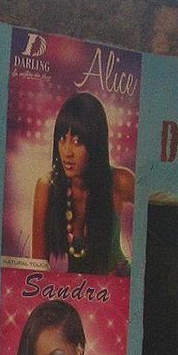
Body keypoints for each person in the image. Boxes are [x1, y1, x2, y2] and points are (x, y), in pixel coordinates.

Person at [30, 91, 136, 276]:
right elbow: (37, 270)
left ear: (95, 143)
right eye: (63, 139)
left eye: (77, 142)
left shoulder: (120, 181)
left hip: (117, 288)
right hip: (77, 294)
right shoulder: (47, 187)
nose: (67, 152)